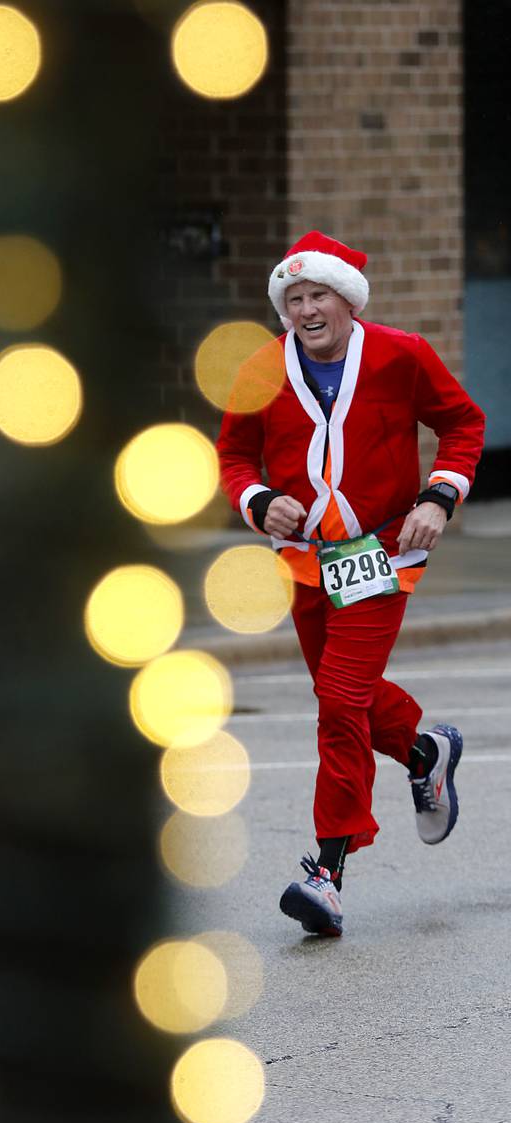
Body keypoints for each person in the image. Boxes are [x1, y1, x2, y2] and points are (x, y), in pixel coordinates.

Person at [217, 231, 485, 938]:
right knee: (346, 696)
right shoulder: (260, 369)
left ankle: (327, 876)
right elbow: (234, 456)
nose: (306, 309)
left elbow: (462, 423)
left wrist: (438, 498)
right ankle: (425, 752)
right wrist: (258, 500)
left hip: (383, 552)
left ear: (347, 301)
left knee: (338, 702)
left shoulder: (402, 355)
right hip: (305, 558)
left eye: (319, 295)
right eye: (294, 298)